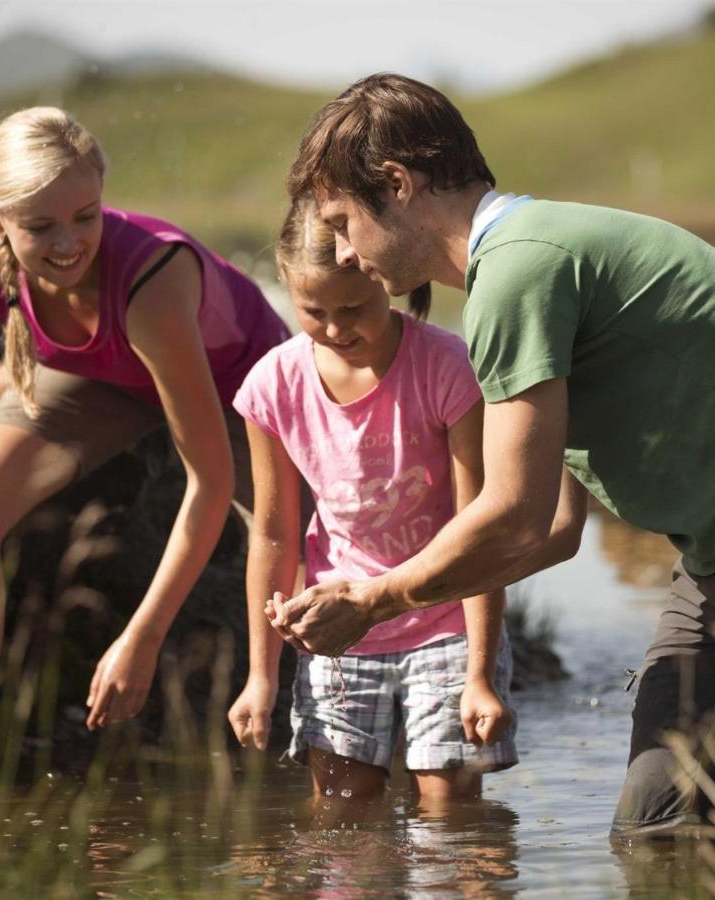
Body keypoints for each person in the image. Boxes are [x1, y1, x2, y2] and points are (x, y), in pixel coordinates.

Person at [268, 73, 715, 852]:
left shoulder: (517, 269)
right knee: (662, 837)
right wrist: (393, 600)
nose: (343, 249)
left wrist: (375, 600)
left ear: (399, 185)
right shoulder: (515, 270)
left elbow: (512, 513)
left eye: (343, 221)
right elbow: (550, 529)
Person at [0, 107, 289, 762]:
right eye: (41, 226)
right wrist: (9, 373)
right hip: (112, 378)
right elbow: (33, 311)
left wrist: (141, 639)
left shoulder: (150, 284)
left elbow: (210, 483)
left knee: (310, 550)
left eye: (86, 216)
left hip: (235, 385)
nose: (68, 243)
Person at [226, 196, 517, 806]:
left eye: (354, 308)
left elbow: (478, 526)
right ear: (287, 290)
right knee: (340, 812)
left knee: (450, 815)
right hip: (338, 630)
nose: (336, 329)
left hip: (446, 624)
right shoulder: (273, 386)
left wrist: (482, 675)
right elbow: (275, 535)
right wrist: (261, 676)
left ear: (383, 279)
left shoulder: (447, 367)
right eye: (314, 311)